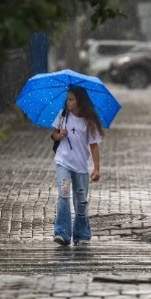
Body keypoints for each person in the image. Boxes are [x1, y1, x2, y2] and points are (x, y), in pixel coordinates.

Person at [49, 85, 104, 246]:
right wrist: (59, 135)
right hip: (63, 163)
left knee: (81, 201)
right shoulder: (63, 116)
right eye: (67, 99)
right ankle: (62, 232)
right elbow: (53, 135)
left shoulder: (89, 122)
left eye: (71, 99)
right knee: (64, 194)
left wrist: (96, 168)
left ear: (80, 101)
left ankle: (81, 234)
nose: (68, 102)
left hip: (80, 167)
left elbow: (94, 146)